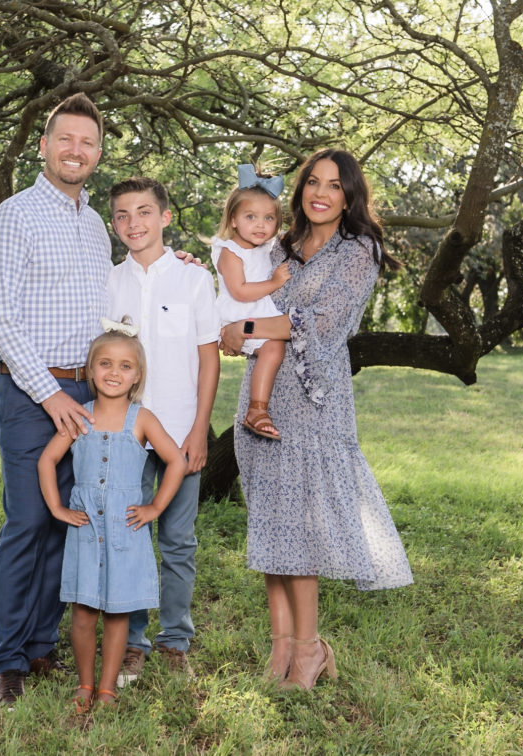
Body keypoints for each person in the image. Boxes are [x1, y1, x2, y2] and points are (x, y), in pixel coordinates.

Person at [220, 148, 414, 690]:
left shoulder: (358, 251)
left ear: (350, 195)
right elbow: (233, 267)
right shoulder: (282, 245)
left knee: (300, 526)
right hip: (259, 399)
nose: (321, 192)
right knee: (271, 523)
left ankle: (310, 649)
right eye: (312, 182)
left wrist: (249, 329)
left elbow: (322, 323)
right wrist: (200, 266)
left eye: (334, 184)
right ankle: (281, 647)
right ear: (301, 190)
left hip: (313, 403)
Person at [0, 93, 110, 704]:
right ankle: (5, 663)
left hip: (89, 390)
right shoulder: (15, 215)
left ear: (98, 154)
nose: (75, 151)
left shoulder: (96, 224)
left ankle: (39, 645)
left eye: (87, 143)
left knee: (67, 522)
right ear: (44, 146)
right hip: (32, 392)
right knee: (29, 521)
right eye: (66, 140)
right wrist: (51, 392)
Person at [38, 321, 186, 713]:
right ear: (89, 370)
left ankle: (107, 687)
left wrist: (154, 506)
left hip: (125, 532)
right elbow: (47, 460)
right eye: (104, 363)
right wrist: (57, 507)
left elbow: (177, 460)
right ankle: (85, 684)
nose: (114, 373)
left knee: (118, 612)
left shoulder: (142, 419)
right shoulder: (78, 417)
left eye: (124, 366)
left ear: (137, 375)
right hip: (86, 532)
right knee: (84, 612)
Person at [106, 177, 220, 683]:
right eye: (123, 216)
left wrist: (200, 430)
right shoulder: (110, 282)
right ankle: (133, 642)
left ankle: (175, 641)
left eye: (145, 212)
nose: (135, 224)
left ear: (165, 217)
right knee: (129, 538)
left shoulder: (195, 279)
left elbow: (208, 359)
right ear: (114, 225)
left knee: (178, 541)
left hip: (179, 430)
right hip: (125, 435)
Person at [210, 164, 291, 440]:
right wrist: (275, 283)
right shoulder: (229, 252)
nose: (260, 224)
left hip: (257, 312)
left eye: (269, 218)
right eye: (251, 217)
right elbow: (240, 291)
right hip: (237, 315)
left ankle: (258, 408)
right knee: (274, 347)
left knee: (275, 347)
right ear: (233, 220)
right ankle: (257, 409)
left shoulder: (265, 247)